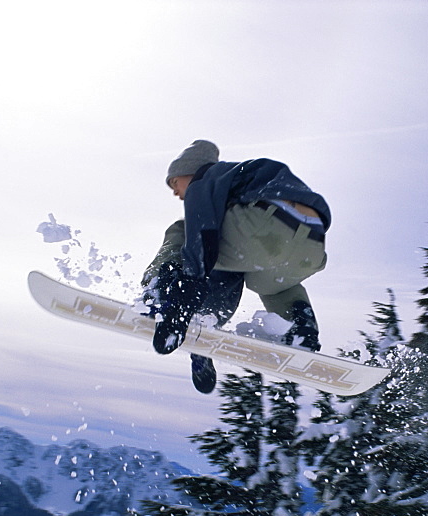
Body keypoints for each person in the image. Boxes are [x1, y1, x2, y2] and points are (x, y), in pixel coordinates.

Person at [140, 140, 330, 393]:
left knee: (184, 231)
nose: (175, 193)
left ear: (189, 171)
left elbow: (202, 232)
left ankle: (160, 288)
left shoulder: (206, 177)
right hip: (311, 244)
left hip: (264, 226)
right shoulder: (241, 179)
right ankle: (301, 330)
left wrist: (180, 305)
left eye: (174, 183)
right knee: (272, 285)